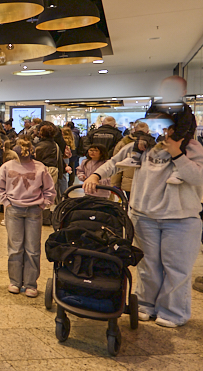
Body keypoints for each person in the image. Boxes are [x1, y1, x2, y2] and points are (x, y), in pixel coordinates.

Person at [84, 104, 203, 327]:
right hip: (143, 214)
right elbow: (113, 162)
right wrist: (96, 175)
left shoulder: (192, 147)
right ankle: (145, 304)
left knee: (176, 267)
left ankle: (173, 311)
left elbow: (198, 177)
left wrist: (177, 153)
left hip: (180, 218)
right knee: (147, 264)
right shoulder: (142, 145)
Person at [0, 138, 56, 297]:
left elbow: (49, 190)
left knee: (27, 248)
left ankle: (28, 283)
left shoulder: (40, 168)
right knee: (22, 248)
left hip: (33, 210)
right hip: (15, 210)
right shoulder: (7, 167)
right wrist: (6, 202)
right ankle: (18, 282)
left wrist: (43, 204)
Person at [111, 122, 151, 198]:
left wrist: (115, 184)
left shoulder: (123, 143)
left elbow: (116, 164)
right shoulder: (152, 145)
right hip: (146, 183)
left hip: (128, 183)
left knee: (132, 206)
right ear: (147, 132)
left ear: (134, 130)